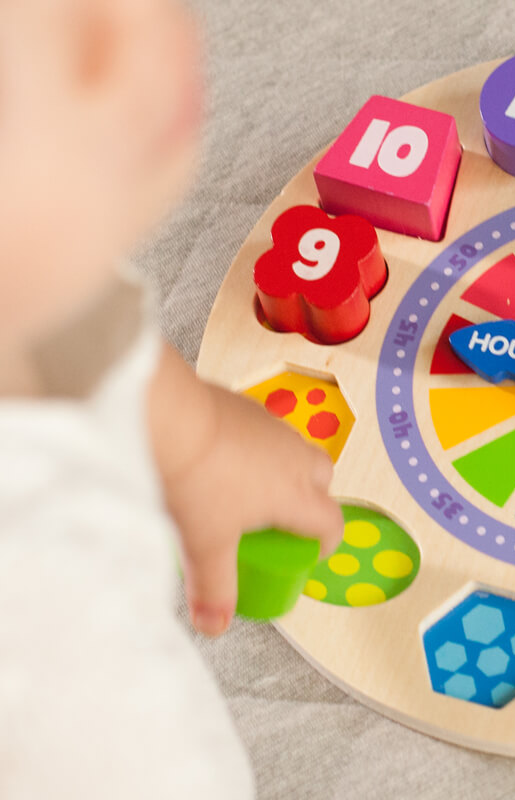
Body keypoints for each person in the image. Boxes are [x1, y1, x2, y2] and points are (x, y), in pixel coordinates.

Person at [0, 1, 344, 796]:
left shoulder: (32, 289)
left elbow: (79, 325)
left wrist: (199, 443)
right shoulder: (37, 617)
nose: (125, 33)